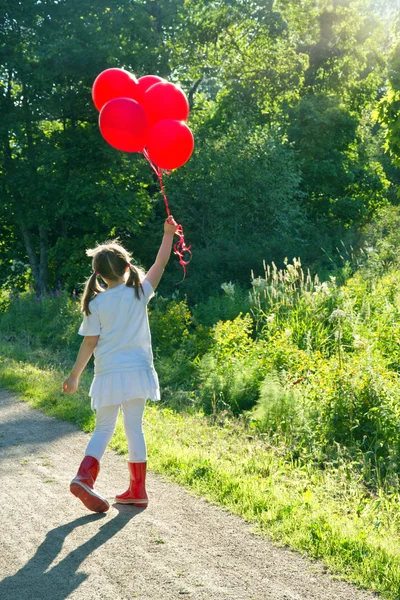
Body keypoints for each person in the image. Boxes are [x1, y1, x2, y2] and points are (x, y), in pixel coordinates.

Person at [63, 215, 179, 513]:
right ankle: (137, 490)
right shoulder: (140, 292)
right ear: (127, 267)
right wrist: (168, 234)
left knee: (103, 428)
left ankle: (84, 476)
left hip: (109, 376)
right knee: (134, 429)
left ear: (99, 277)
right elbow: (160, 265)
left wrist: (75, 376)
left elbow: (89, 343)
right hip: (138, 373)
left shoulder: (96, 304)